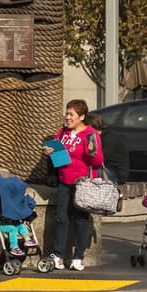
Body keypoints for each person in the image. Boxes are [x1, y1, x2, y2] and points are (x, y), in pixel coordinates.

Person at [44, 98, 104, 271]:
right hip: (64, 180)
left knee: (80, 219)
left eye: (71, 114)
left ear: (82, 116)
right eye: (67, 113)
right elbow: (59, 158)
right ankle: (58, 255)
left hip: (82, 183)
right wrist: (51, 152)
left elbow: (98, 160)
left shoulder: (90, 134)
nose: (68, 117)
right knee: (61, 218)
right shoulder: (62, 132)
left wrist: (91, 150)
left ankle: (78, 256)